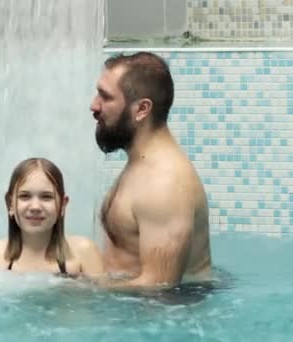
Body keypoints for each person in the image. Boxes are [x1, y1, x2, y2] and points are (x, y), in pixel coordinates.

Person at [90, 51, 211, 288]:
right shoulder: (141, 164)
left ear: (141, 109)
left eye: (105, 97)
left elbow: (158, 288)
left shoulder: (163, 183)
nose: (94, 105)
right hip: (134, 313)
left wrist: (73, 291)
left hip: (162, 318)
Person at [0, 158, 104, 277]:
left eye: (46, 197)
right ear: (10, 204)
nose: (35, 207)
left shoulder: (83, 253)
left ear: (63, 205)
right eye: (24, 196)